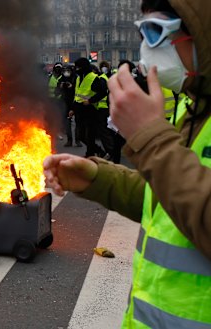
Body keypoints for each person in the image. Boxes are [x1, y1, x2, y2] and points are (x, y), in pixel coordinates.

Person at [43, 0, 211, 327]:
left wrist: (150, 137)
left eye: (155, 32)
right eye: (141, 33)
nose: (146, 48)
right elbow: (165, 199)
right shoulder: (192, 108)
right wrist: (97, 178)